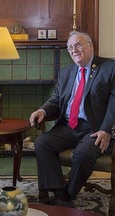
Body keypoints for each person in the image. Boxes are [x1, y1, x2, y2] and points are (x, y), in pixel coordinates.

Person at [29, 31, 115, 205]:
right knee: (42, 143)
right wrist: (43, 111)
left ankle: (69, 195)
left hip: (95, 128)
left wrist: (106, 129)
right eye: (69, 47)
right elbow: (56, 99)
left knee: (83, 154)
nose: (73, 50)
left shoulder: (109, 67)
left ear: (90, 45)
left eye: (78, 45)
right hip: (69, 126)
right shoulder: (66, 72)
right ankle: (59, 193)